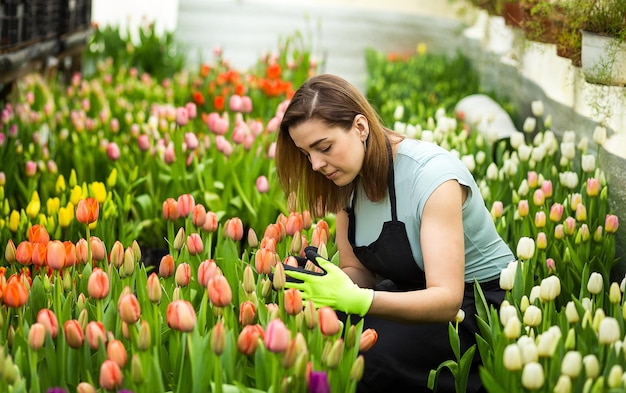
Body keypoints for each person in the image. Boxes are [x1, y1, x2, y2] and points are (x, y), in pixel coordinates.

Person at [274, 74, 514, 392]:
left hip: (475, 307)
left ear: (360, 127)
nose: (316, 164)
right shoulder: (345, 180)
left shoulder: (432, 178)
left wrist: (360, 300)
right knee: (317, 332)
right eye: (307, 154)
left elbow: (446, 299)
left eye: (324, 147)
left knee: (368, 356)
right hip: (404, 291)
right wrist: (327, 285)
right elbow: (358, 270)